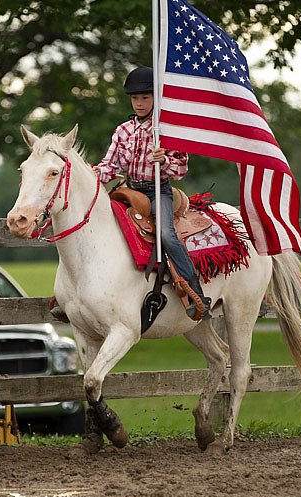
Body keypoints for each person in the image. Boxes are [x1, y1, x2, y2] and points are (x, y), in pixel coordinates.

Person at [93, 66, 210, 319]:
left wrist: (164, 161)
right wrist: (93, 174)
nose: (139, 103)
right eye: (135, 98)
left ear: (156, 98)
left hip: (158, 192)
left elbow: (181, 169)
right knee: (96, 226)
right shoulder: (123, 131)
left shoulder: (166, 128)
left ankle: (196, 293)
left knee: (166, 235)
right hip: (129, 191)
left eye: (145, 98)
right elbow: (110, 166)